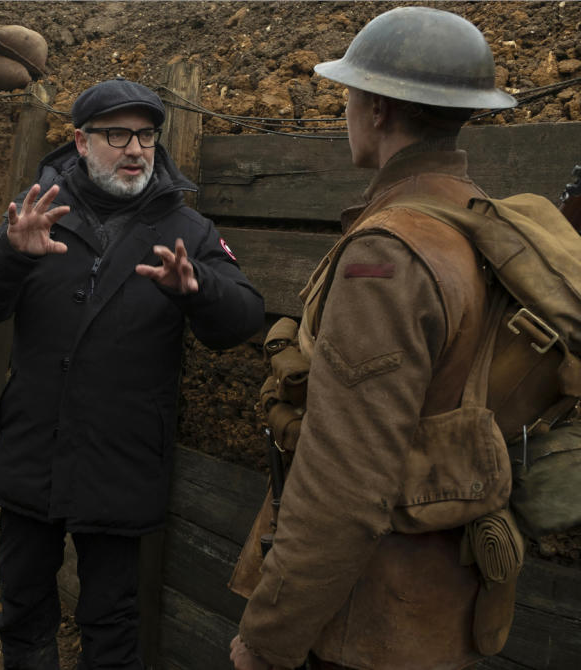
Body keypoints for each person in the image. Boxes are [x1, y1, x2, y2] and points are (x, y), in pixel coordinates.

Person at [230, 7, 524, 670]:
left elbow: (344, 485)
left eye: (349, 93)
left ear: (378, 108)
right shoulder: (471, 221)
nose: (346, 109)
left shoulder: (387, 256)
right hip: (431, 610)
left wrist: (267, 641)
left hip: (366, 628)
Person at [0, 78, 265, 669]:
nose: (136, 149)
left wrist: (198, 291)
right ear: (80, 142)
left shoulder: (186, 230)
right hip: (34, 448)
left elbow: (240, 319)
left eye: (145, 135)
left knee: (111, 619)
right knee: (22, 608)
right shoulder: (40, 209)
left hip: (122, 458)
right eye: (117, 134)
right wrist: (9, 253)